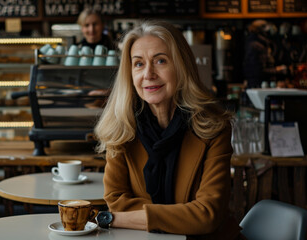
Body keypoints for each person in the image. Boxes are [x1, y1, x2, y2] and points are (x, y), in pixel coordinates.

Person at [94, 20, 244, 239]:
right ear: (130, 74)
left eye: (160, 61)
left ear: (181, 67)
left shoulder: (213, 128)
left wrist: (115, 219)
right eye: (138, 64)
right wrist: (182, 214)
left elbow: (206, 215)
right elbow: (116, 200)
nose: (148, 74)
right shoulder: (121, 129)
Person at [243, 19, 287, 88]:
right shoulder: (256, 45)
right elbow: (258, 70)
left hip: (259, 85)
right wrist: (278, 70)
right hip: (259, 86)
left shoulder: (259, 43)